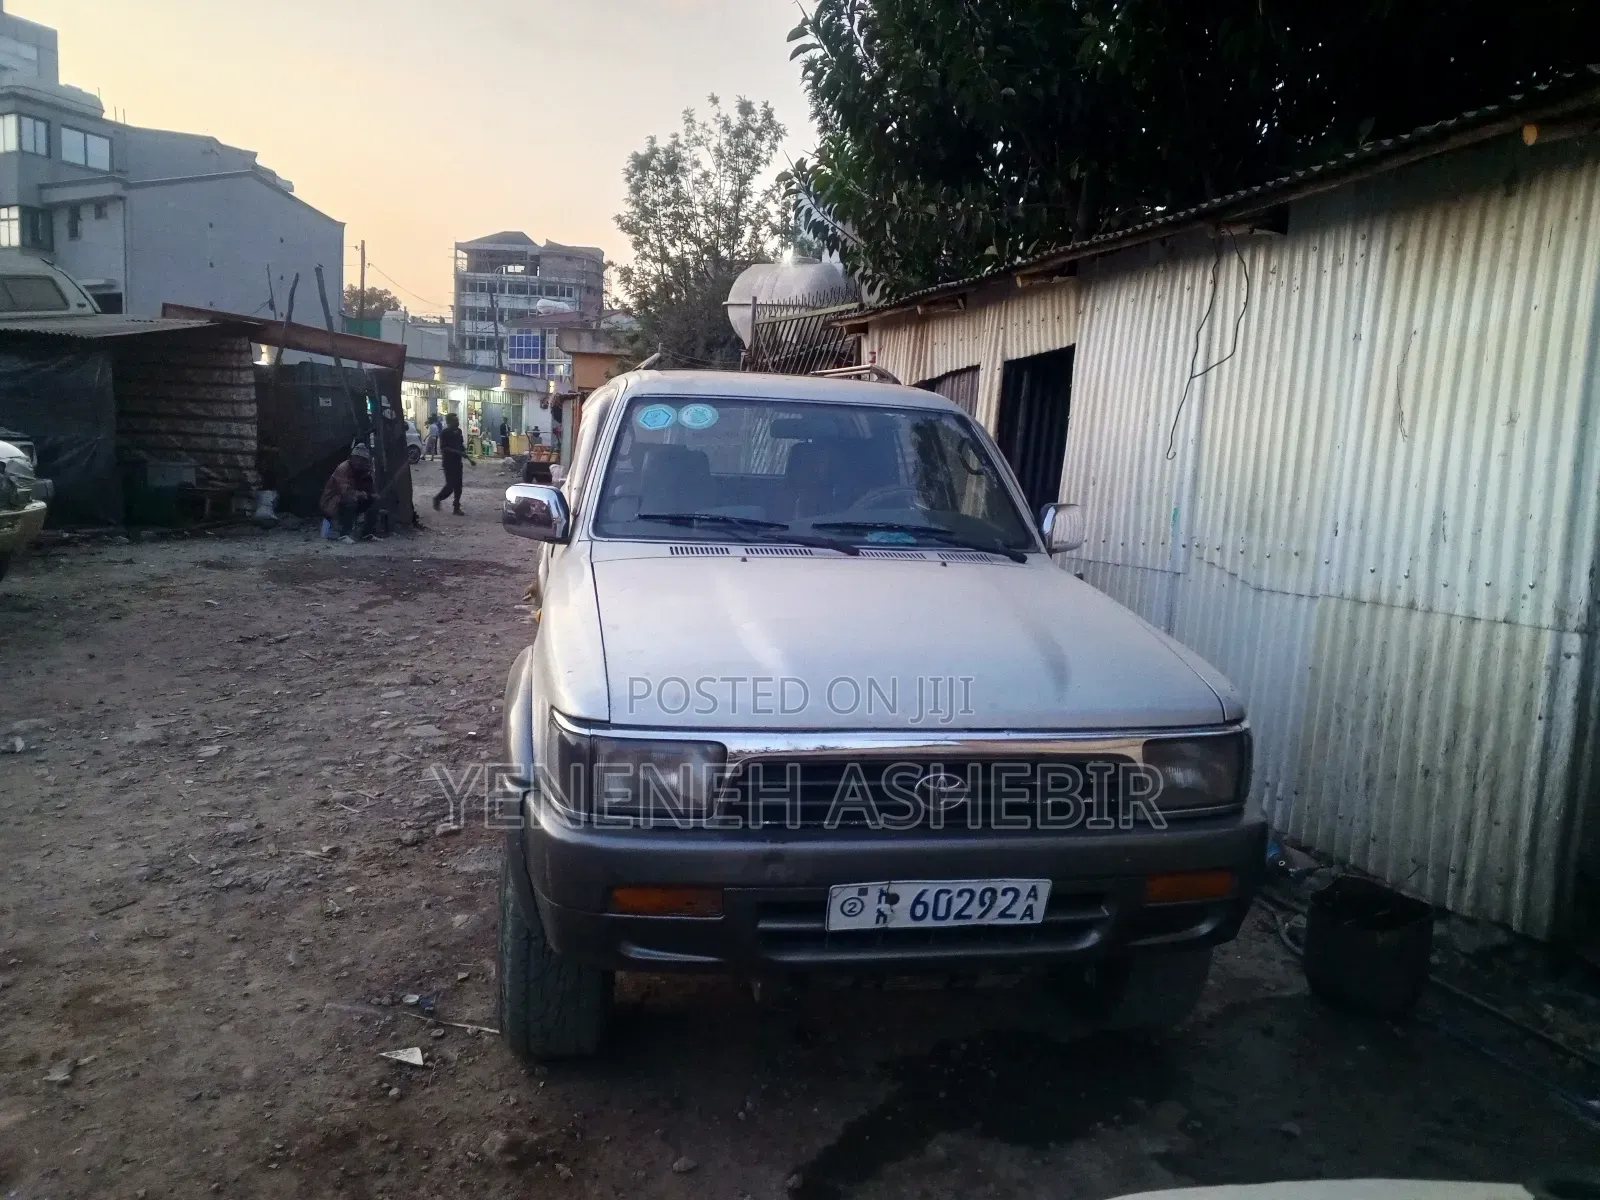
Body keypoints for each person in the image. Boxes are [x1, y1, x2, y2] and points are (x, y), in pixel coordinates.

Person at [321, 442, 375, 542]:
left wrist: (370, 494)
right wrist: (362, 494)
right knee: (351, 499)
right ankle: (344, 534)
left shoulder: (361, 470)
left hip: (344, 500)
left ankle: (366, 534)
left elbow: (367, 489)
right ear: (351, 458)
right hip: (332, 502)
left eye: (362, 459)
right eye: (357, 458)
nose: (359, 462)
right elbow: (346, 492)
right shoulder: (343, 468)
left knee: (371, 501)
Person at [433, 412, 474, 514]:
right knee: (450, 485)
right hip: (448, 463)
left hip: (457, 462)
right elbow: (444, 448)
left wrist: (468, 457)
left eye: (457, 420)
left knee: (458, 486)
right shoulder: (444, 433)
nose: (458, 422)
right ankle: (437, 498)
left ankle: (456, 507)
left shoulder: (459, 432)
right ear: (449, 422)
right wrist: (458, 452)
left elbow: (460, 445)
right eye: (455, 421)